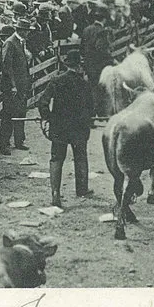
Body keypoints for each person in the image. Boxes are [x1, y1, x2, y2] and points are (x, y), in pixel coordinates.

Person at [37, 50, 94, 207]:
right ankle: (82, 189)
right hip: (79, 128)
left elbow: (42, 102)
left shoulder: (56, 81)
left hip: (59, 127)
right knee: (80, 157)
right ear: (78, 67)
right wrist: (87, 119)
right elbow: (91, 106)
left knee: (56, 158)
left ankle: (55, 194)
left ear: (68, 64)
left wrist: (48, 117)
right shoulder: (84, 84)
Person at [0, 19, 32, 155]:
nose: (28, 33)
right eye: (27, 30)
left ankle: (19, 140)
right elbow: (7, 67)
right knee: (9, 115)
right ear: (21, 30)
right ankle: (4, 144)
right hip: (13, 88)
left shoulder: (21, 42)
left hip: (21, 85)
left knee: (21, 112)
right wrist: (12, 85)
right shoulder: (10, 43)